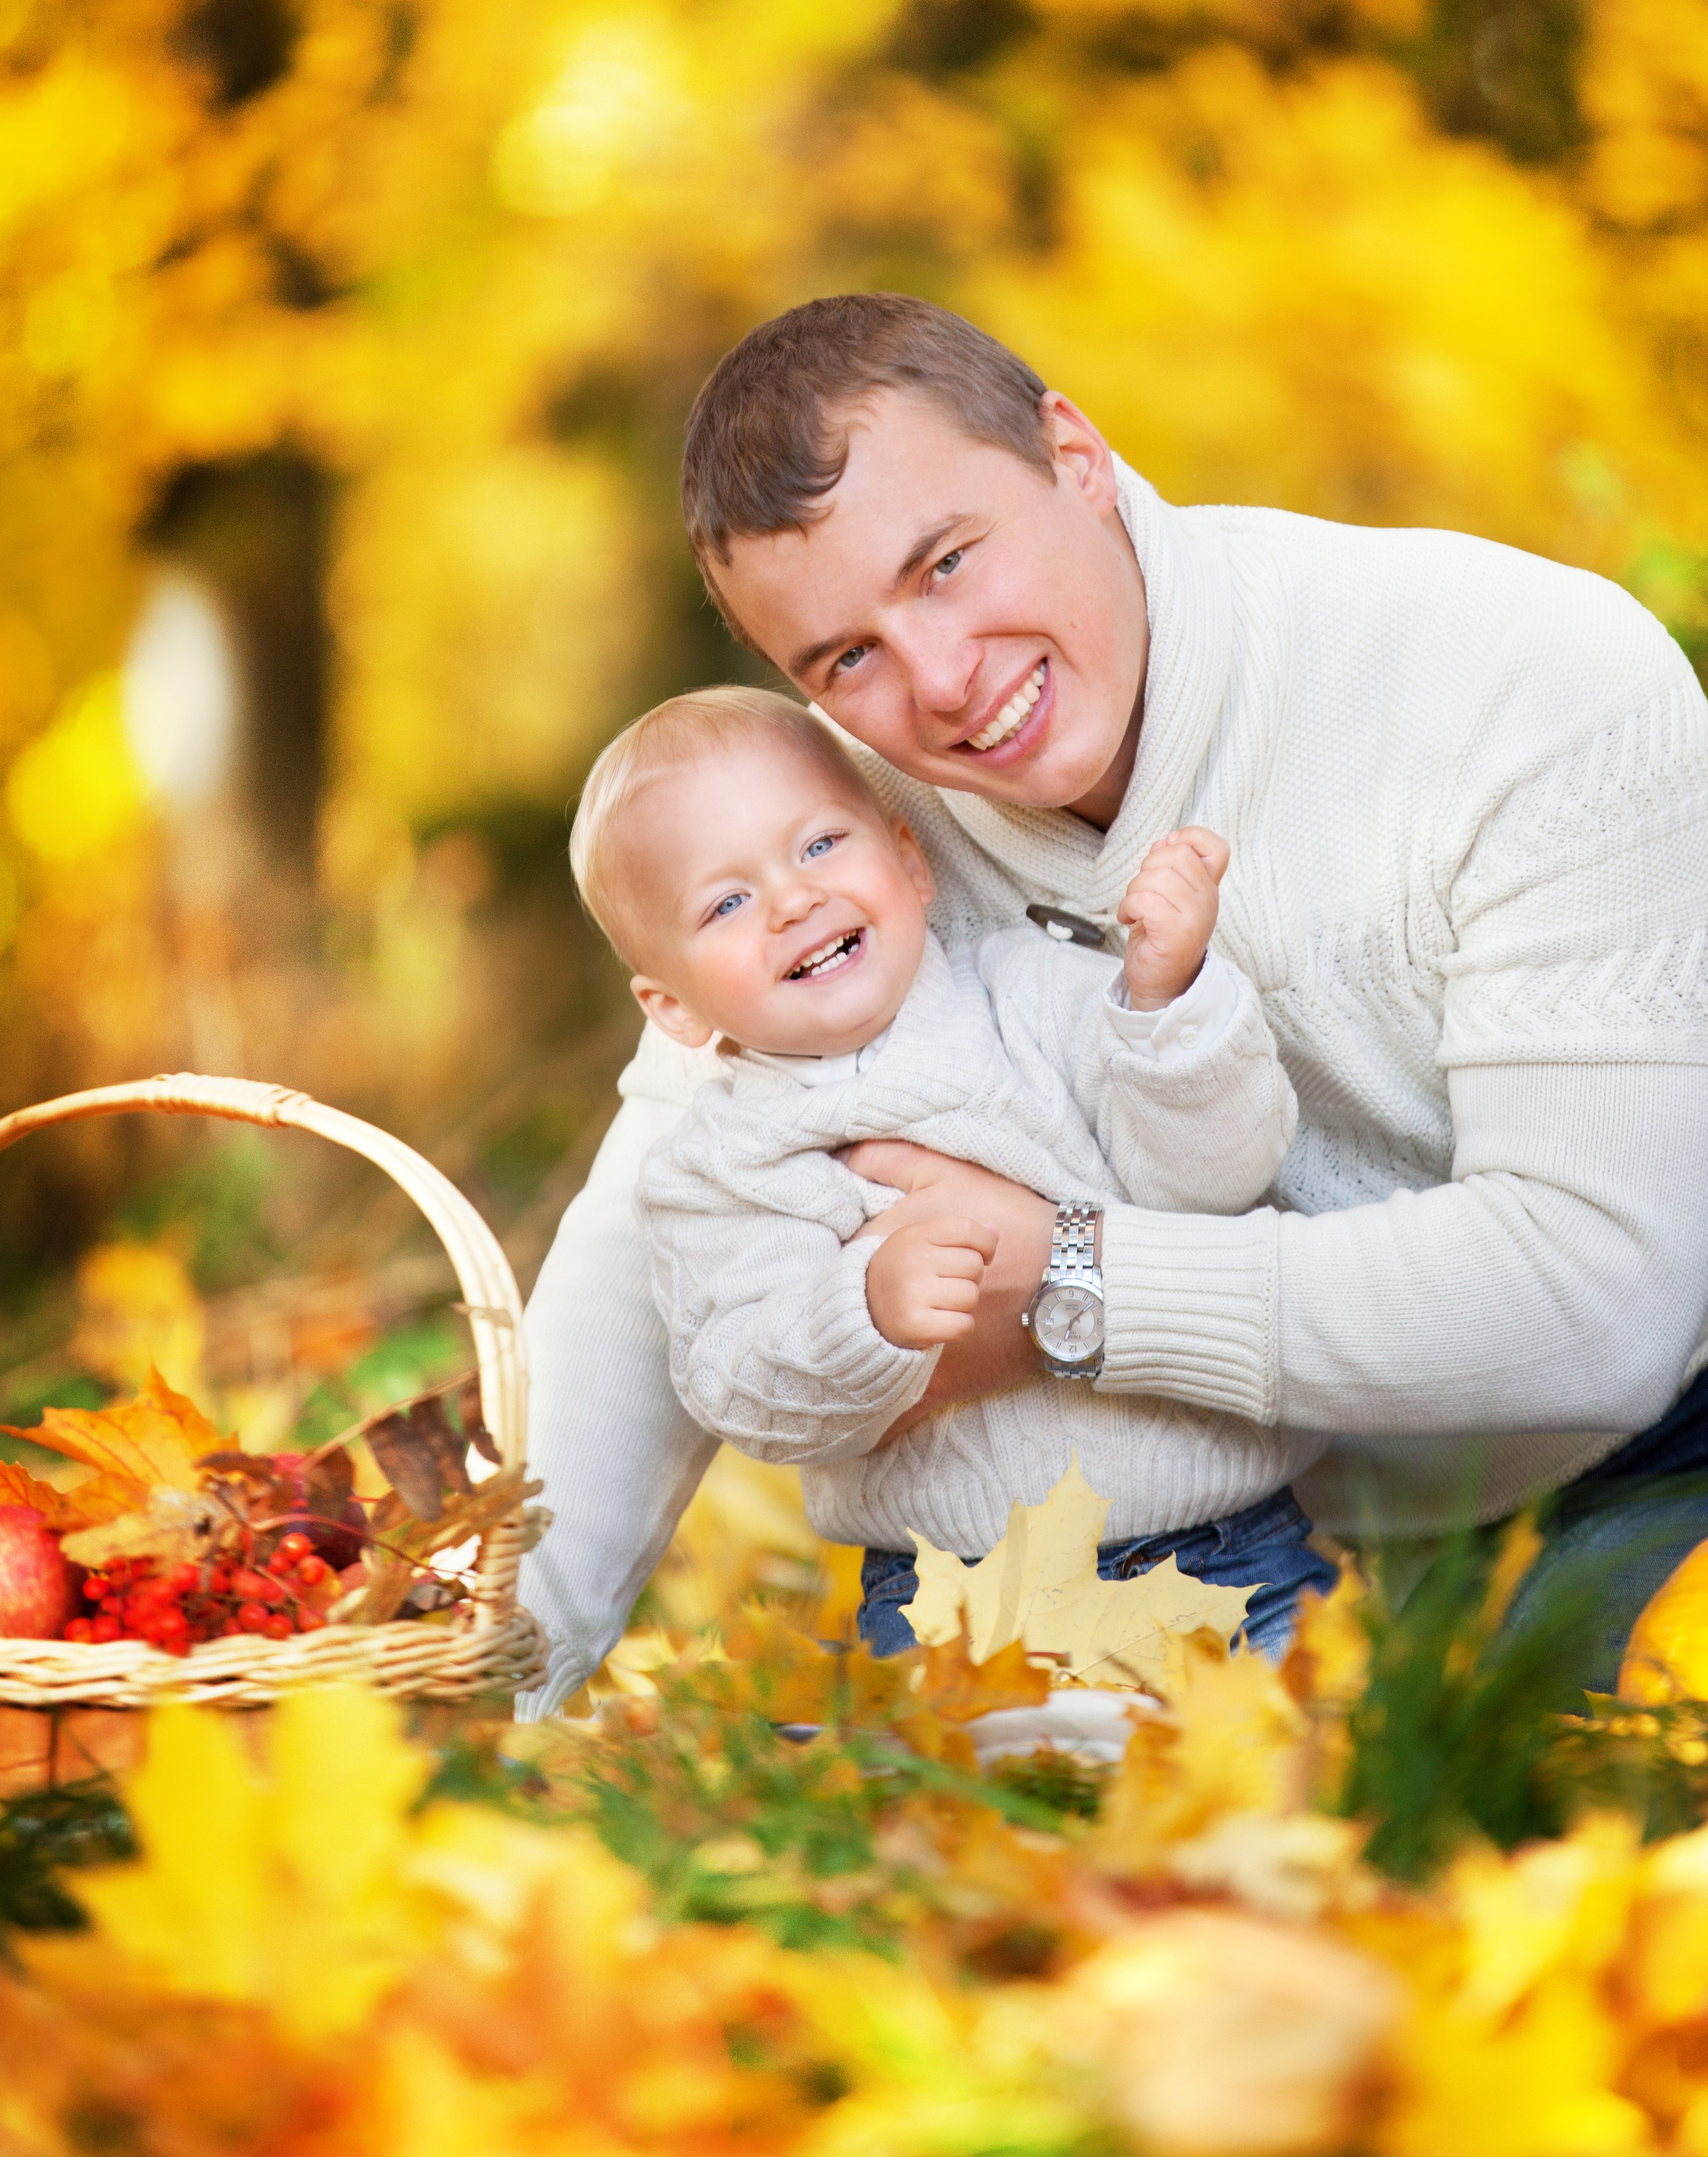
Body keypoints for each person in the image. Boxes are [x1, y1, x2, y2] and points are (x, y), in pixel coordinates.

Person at [517, 293, 1708, 1717]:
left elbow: (1598, 1305)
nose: (941, 681)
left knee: (1573, 1760)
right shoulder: (835, 828)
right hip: (1208, 1541)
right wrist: (481, 1679)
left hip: (1634, 1460)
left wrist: (1066, 1289)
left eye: (948, 562)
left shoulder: (1525, 677)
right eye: (845, 658)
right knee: (1048, 1823)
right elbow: (646, 1240)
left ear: (1072, 454)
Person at [565, 681, 1328, 1658]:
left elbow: (1215, 1177)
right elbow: (741, 1387)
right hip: (946, 1608)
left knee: (1285, 1777)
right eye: (727, 901)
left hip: (1225, 1552)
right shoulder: (721, 1164)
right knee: (953, 1804)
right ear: (672, 1006)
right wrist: (862, 1311)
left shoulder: (1047, 996)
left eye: (820, 845)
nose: (794, 899)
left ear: (911, 860)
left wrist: (1168, 1006)